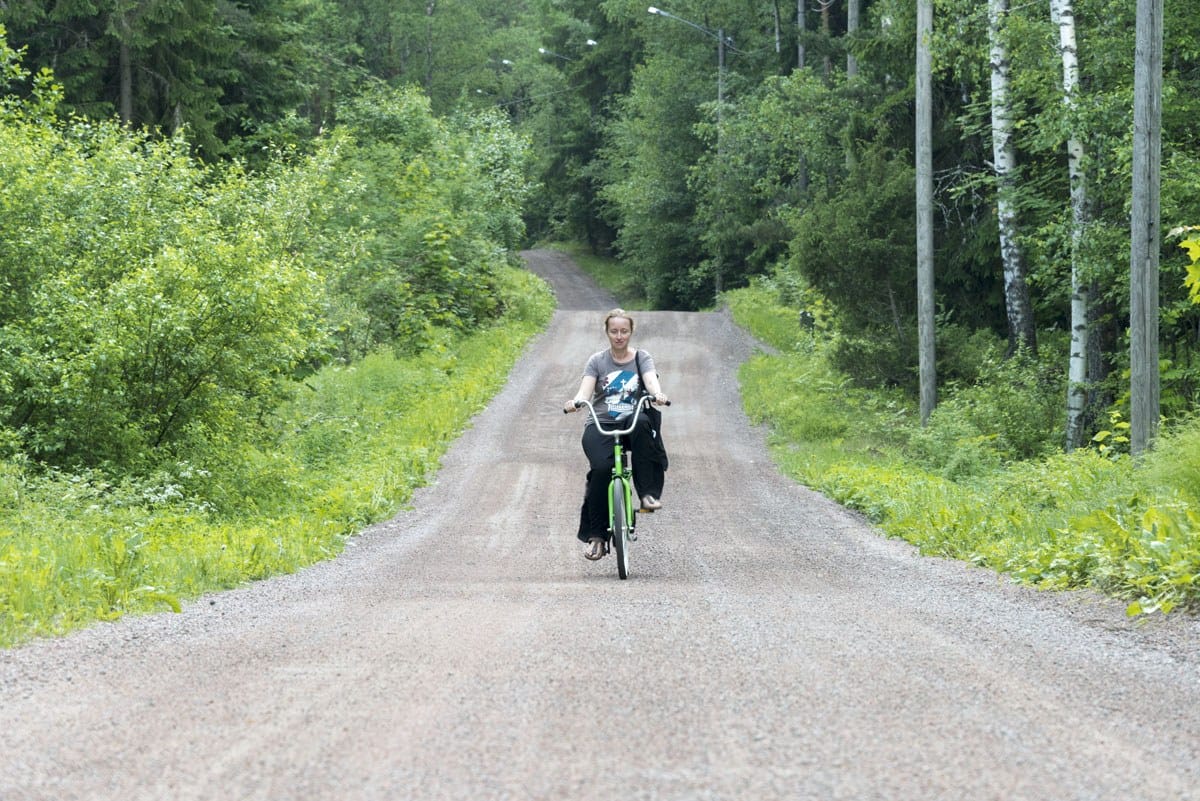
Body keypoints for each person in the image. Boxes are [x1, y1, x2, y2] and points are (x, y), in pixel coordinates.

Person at [563, 309, 669, 561]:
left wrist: (658, 394)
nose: (619, 336)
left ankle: (647, 495)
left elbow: (651, 382)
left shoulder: (642, 357)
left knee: (644, 423)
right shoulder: (597, 361)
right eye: (614, 331)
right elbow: (584, 392)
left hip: (631, 422)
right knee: (601, 470)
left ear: (630, 332)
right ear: (607, 332)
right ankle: (596, 537)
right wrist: (576, 402)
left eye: (624, 331)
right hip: (600, 423)